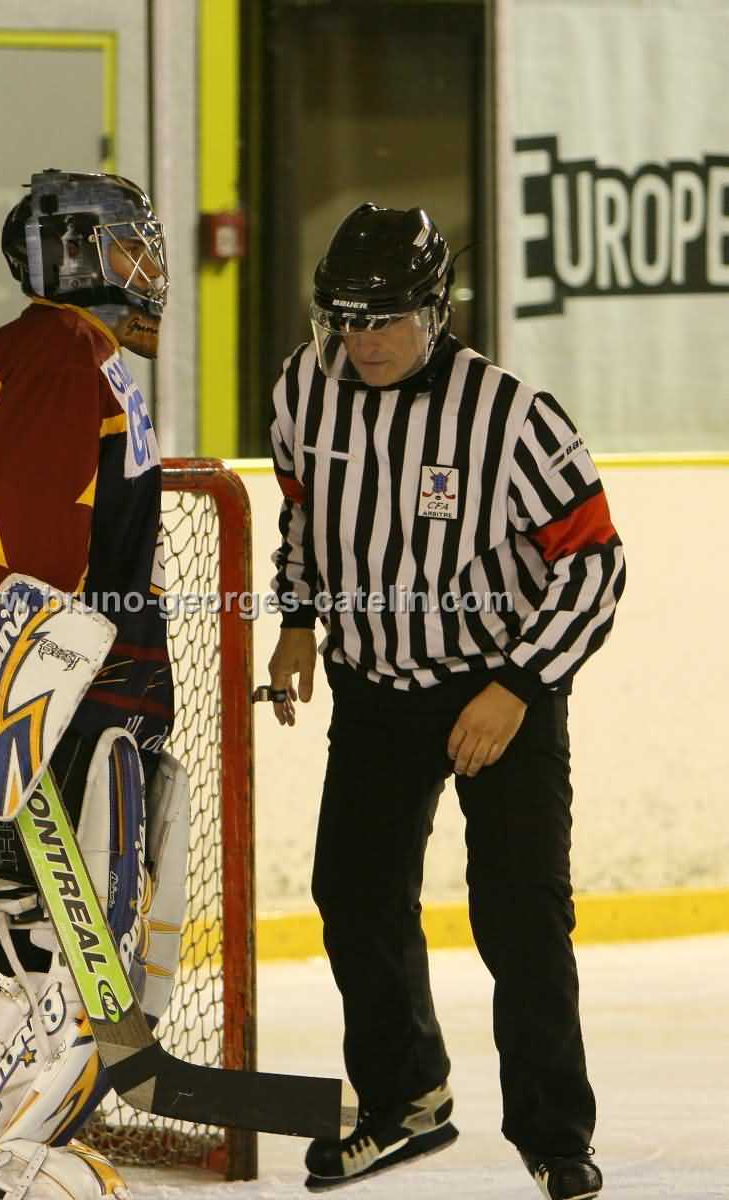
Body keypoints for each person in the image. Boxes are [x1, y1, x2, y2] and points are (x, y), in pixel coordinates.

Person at [265, 203, 625, 1200]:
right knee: (354, 896)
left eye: (383, 319)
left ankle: (554, 1132)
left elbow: (593, 563)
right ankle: (404, 1100)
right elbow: (301, 514)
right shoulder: (303, 389)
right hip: (374, 687)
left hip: (497, 686)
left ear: (434, 310)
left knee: (520, 915)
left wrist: (518, 687)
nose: (362, 341)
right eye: (345, 319)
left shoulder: (512, 416)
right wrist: (296, 617)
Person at [0, 170, 187, 1200]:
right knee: (66, 930)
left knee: (32, 918)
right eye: (128, 245)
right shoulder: (56, 356)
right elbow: (20, 554)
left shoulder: (72, 356)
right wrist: (32, 700)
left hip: (49, 685)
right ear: (78, 255)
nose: (147, 267)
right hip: (44, 689)